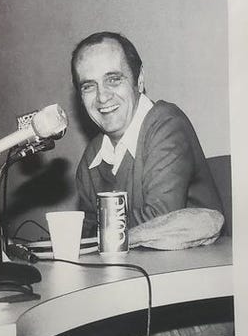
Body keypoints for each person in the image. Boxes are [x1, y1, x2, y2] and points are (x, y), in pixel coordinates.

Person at [71, 31, 225, 241]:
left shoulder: (167, 125)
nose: (102, 96)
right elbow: (83, 233)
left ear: (139, 79)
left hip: (195, 268)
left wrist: (94, 231)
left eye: (113, 80)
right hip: (132, 269)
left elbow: (159, 220)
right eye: (89, 86)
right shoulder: (92, 156)